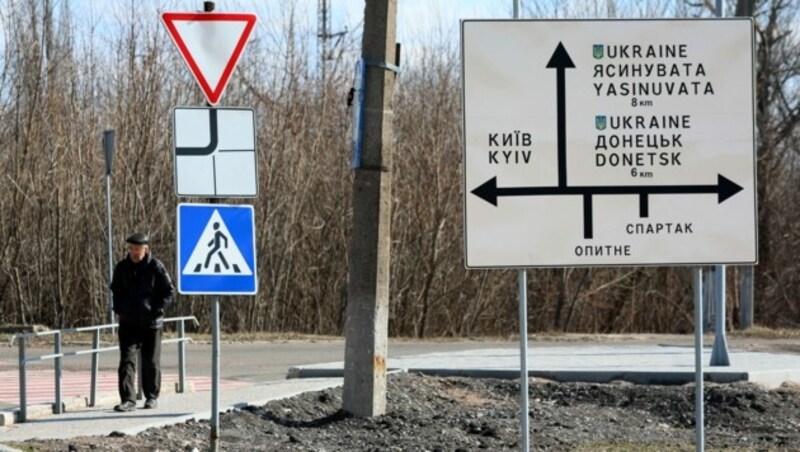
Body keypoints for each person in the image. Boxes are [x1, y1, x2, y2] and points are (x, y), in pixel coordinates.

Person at [110, 233, 175, 412]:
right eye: (131, 249)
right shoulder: (122, 267)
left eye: (138, 249)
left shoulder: (156, 267)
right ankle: (128, 399)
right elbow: (115, 289)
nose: (134, 253)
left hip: (151, 323)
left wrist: (157, 310)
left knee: (151, 361)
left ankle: (151, 397)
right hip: (128, 322)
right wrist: (119, 309)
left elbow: (169, 292)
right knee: (126, 361)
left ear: (145, 249)